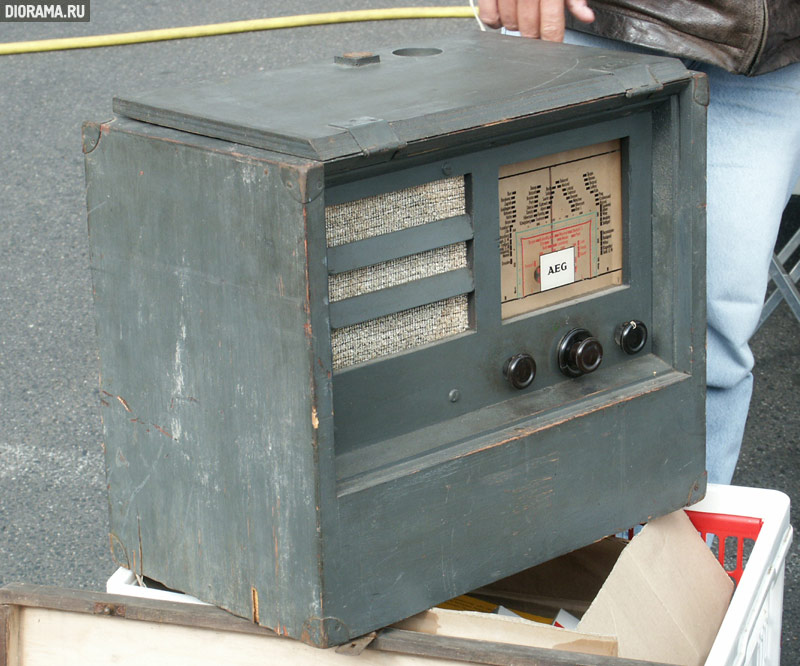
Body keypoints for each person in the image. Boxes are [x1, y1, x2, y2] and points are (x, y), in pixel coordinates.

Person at [477, 0, 800, 484]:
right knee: (539, 331)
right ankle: (548, 551)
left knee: (710, 348)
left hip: (766, 57)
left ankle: (673, 556)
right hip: (598, 24)